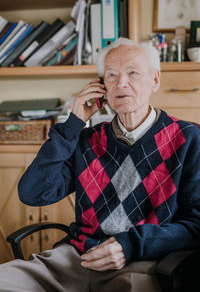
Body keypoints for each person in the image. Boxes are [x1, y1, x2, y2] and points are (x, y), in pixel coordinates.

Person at [0, 37, 200, 292]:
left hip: (141, 262)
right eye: (111, 75)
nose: (121, 83)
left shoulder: (187, 138)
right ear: (102, 86)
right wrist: (74, 122)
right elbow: (33, 192)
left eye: (133, 73)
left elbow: (196, 225)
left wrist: (131, 245)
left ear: (155, 80)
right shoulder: (87, 140)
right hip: (76, 259)